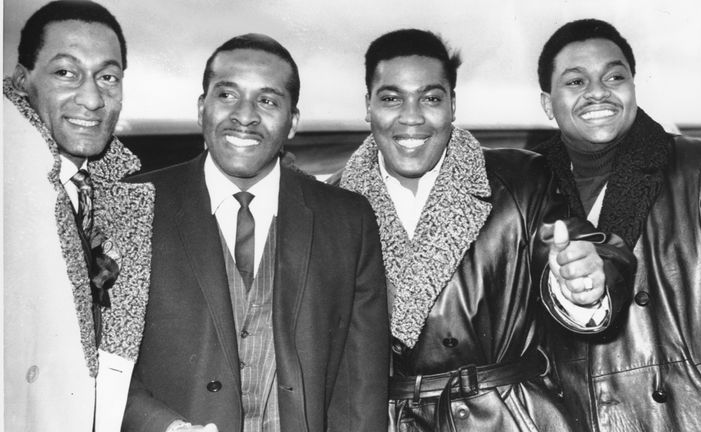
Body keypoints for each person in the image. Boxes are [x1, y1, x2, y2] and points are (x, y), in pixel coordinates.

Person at [336, 29, 635, 431]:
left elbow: (579, 248)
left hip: (509, 417)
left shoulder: (519, 180)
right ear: (367, 106)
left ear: (453, 106)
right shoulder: (334, 204)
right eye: (391, 98)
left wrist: (583, 284)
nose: (411, 117)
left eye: (431, 98)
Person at [122, 33, 389, 432]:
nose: (244, 115)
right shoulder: (135, 204)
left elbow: (362, 387)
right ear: (201, 108)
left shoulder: (348, 220)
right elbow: (95, 364)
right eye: (227, 95)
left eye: (267, 100)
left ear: (293, 122)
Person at [534, 18, 701, 432]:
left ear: (633, 87)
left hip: (695, 415)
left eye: (615, 76)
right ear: (547, 103)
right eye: (575, 81)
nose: (598, 91)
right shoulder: (527, 188)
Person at [3, 1, 154, 431]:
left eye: (107, 77)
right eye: (65, 73)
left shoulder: (114, 195)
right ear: (21, 80)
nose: (91, 99)